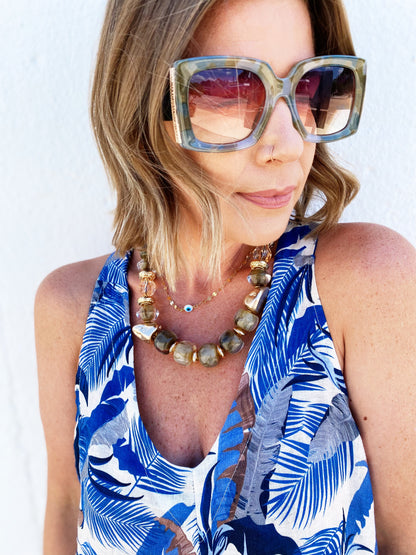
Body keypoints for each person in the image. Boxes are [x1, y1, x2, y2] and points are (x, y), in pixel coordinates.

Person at [35, 0, 416, 553]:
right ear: (147, 101)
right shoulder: (71, 311)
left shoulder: (367, 285)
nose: (289, 146)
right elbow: (63, 516)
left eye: (310, 86)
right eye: (233, 93)